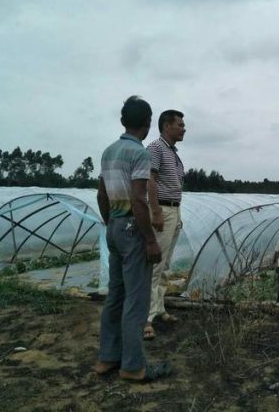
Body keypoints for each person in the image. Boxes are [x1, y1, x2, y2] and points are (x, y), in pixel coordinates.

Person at [93, 96, 172, 382]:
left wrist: (110, 224)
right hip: (131, 227)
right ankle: (133, 366)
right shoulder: (140, 154)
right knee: (136, 302)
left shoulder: (109, 152)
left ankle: (107, 359)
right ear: (148, 123)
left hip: (113, 226)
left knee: (115, 296)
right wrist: (149, 239)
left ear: (123, 121)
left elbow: (101, 194)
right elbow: (139, 200)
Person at [143, 110, 186, 340]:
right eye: (179, 124)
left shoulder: (173, 153)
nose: (183, 128)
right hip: (162, 208)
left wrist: (176, 212)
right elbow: (150, 179)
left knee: (166, 264)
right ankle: (146, 318)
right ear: (166, 126)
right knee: (155, 265)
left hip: (173, 209)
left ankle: (159, 309)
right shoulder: (156, 148)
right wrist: (157, 211)